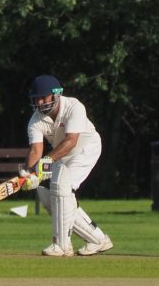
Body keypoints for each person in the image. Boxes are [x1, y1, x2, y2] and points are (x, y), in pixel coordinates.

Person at [21, 74, 113, 256]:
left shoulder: (74, 106)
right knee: (47, 196)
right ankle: (98, 239)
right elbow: (35, 151)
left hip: (86, 148)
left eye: (43, 97)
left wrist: (46, 162)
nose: (39, 103)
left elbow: (71, 141)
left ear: (56, 95)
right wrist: (29, 174)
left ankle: (62, 245)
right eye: (36, 99)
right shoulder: (35, 121)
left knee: (62, 188)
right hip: (61, 155)